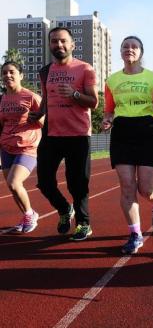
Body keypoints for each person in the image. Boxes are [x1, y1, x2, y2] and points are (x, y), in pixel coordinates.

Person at [102, 35, 153, 254]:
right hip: (122, 132)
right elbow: (110, 110)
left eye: (134, 47)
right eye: (125, 46)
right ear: (120, 52)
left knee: (146, 189)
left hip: (146, 130)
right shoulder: (112, 80)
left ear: (141, 52)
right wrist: (107, 119)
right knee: (127, 186)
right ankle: (135, 234)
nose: (129, 49)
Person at [30, 27, 99, 241]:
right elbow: (45, 97)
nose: (58, 45)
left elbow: (94, 102)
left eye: (62, 41)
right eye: (54, 41)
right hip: (51, 133)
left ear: (72, 45)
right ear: (50, 45)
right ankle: (63, 209)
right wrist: (39, 112)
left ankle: (83, 224)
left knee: (77, 182)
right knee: (44, 181)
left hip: (78, 134)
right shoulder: (45, 71)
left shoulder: (85, 69)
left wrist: (74, 94)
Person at [0, 61, 44, 233]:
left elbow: (45, 123)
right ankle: (28, 213)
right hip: (6, 147)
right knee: (12, 187)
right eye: (4, 73)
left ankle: (29, 214)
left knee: (14, 182)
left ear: (21, 75)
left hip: (27, 147)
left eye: (11, 72)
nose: (7, 75)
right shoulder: (2, 99)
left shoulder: (31, 97)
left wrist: (37, 119)